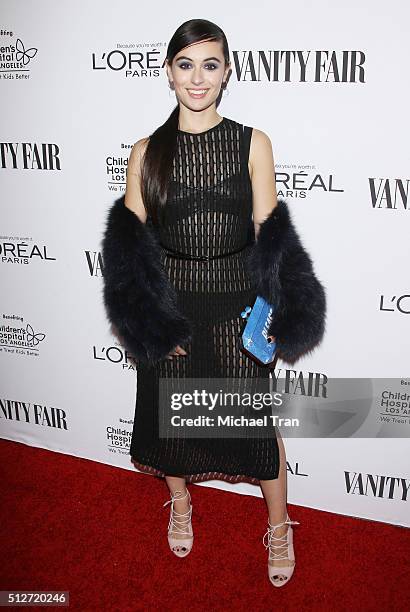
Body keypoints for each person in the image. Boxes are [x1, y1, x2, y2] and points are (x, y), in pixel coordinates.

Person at [102, 19, 326, 588]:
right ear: (167, 72)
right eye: (185, 64)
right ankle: (180, 503)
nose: (197, 78)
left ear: (228, 72)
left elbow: (269, 234)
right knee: (172, 422)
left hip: (235, 312)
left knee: (254, 425)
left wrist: (277, 309)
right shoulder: (146, 153)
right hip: (172, 311)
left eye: (210, 64)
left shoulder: (254, 143)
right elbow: (130, 255)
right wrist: (152, 326)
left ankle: (278, 526)